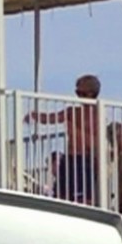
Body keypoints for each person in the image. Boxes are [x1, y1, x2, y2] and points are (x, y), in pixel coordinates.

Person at [28, 74, 102, 204]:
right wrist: (35, 116)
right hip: (69, 158)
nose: (77, 96)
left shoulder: (97, 115)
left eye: (80, 93)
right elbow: (52, 118)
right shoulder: (72, 112)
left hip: (85, 160)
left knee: (83, 197)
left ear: (90, 94)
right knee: (61, 194)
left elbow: (94, 142)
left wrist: (75, 130)